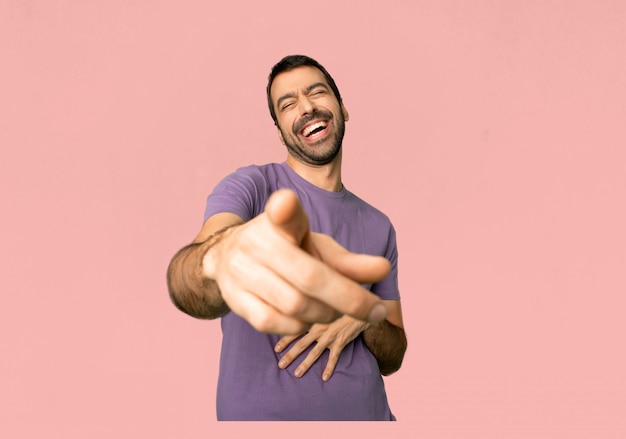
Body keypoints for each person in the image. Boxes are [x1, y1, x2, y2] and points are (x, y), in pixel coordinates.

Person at [167, 54, 407, 421]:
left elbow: (394, 355)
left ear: (342, 108)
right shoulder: (251, 187)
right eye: (289, 104)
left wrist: (365, 314)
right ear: (280, 130)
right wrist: (221, 258)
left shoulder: (379, 225)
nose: (308, 107)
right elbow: (188, 279)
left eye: (317, 92)